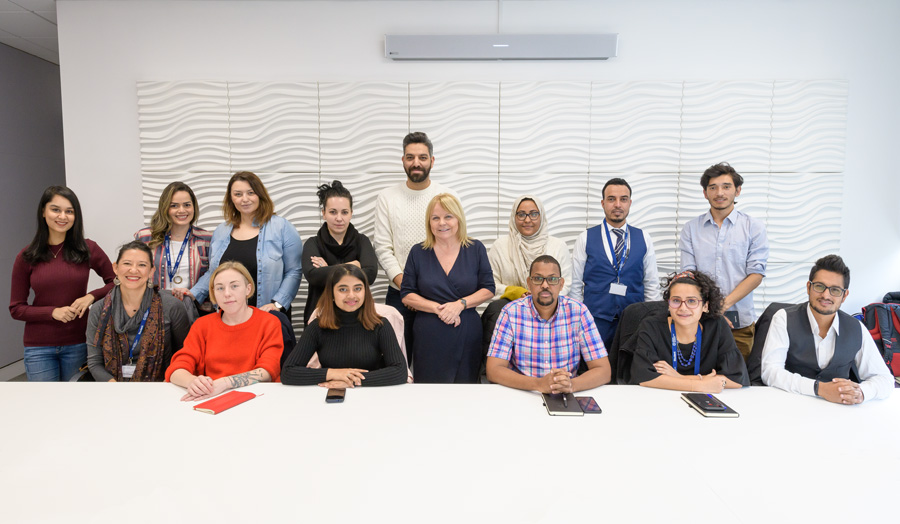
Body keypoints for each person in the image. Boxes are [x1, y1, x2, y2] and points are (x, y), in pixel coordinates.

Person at [9, 186, 116, 381]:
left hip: (79, 343)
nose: (62, 216)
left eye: (69, 211)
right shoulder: (26, 256)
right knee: (45, 407)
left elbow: (116, 282)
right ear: (43, 211)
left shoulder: (87, 249)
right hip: (38, 348)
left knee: (76, 407)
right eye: (55, 209)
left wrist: (90, 297)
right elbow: (16, 308)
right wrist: (52, 312)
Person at [761, 255, 893, 404]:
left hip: (837, 411)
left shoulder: (856, 328)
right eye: (819, 286)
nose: (825, 295)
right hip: (790, 404)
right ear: (808, 287)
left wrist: (860, 392)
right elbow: (770, 372)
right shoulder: (783, 318)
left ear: (844, 296)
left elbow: (885, 379)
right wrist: (819, 388)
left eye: (835, 290)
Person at [374, 131, 456, 358]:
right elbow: (382, 247)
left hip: (440, 295)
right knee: (397, 359)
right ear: (403, 161)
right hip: (399, 293)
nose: (416, 163)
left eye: (422, 157)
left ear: (432, 160)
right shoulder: (387, 197)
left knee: (435, 360)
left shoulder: (447, 195)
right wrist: (407, 288)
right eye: (410, 157)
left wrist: (424, 293)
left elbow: (455, 243)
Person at [401, 193, 494, 383]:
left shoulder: (476, 249)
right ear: (429, 222)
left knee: (465, 394)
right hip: (429, 334)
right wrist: (437, 308)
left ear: (458, 218)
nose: (442, 223)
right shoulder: (417, 252)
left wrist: (460, 304)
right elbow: (407, 294)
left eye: (448, 216)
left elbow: (488, 288)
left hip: (466, 331)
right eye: (435, 218)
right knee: (429, 395)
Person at [680, 163, 768, 360]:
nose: (719, 192)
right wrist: (709, 309)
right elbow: (688, 275)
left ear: (737, 190)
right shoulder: (691, 229)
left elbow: (756, 275)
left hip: (739, 324)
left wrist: (721, 306)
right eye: (713, 187)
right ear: (705, 193)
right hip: (699, 321)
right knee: (699, 376)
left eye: (726, 186)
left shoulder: (754, 227)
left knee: (738, 381)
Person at [486, 255, 611, 393]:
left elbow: (603, 370)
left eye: (552, 279)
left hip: (566, 393)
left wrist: (571, 385)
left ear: (561, 284)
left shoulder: (579, 312)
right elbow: (493, 370)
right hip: (522, 391)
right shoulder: (511, 312)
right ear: (529, 283)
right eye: (538, 279)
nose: (545, 285)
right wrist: (538, 384)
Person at [188, 171, 302, 319]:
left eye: (251, 193)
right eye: (238, 194)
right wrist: (193, 293)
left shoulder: (282, 227)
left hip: (269, 316)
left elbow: (294, 271)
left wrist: (278, 304)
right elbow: (213, 273)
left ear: (260, 195)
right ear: (231, 199)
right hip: (229, 317)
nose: (245, 199)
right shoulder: (221, 231)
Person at [166, 261, 282, 401]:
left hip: (257, 398)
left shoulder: (269, 322)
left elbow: (267, 371)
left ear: (248, 289)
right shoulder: (202, 325)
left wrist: (226, 383)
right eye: (220, 288)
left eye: (234, 286)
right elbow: (178, 367)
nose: (227, 293)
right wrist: (192, 381)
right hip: (211, 397)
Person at [570, 178, 660, 349]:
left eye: (623, 199)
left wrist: (651, 318)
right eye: (611, 199)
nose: (617, 204)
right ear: (603, 203)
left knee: (628, 370)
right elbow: (575, 284)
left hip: (634, 320)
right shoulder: (585, 238)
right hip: (595, 321)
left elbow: (651, 283)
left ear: (630, 203)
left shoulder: (644, 238)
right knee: (595, 371)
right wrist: (578, 319)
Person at [282, 264, 407, 387]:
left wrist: (351, 381)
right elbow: (288, 372)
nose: (351, 295)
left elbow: (400, 371)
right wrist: (333, 373)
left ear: (365, 292)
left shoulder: (381, 325)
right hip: (330, 393)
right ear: (331, 293)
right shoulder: (317, 326)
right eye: (343, 289)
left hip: (370, 394)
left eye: (357, 288)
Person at [629, 270, 749, 392]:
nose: (683, 308)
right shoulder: (651, 326)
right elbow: (644, 377)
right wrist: (700, 384)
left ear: (705, 306)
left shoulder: (717, 325)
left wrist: (679, 377)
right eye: (676, 300)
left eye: (691, 301)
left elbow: (736, 379)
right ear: (668, 304)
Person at [86, 241, 190, 382]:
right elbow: (95, 363)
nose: (134, 270)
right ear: (115, 268)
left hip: (160, 387)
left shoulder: (171, 307)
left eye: (142, 265)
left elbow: (183, 356)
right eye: (127, 264)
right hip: (113, 388)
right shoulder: (99, 310)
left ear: (151, 271)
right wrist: (118, 389)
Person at [482, 195, 572, 350]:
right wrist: (515, 292)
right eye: (521, 214)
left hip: (549, 305)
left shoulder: (557, 246)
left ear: (541, 216)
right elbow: (490, 284)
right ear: (514, 217)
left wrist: (540, 297)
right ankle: (494, 369)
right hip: (510, 307)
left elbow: (566, 284)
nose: (527, 219)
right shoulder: (501, 246)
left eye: (534, 214)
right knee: (495, 310)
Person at [301, 180, 377, 326]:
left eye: (344, 212)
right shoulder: (313, 243)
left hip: (357, 316)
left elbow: (371, 275)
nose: (339, 218)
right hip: (320, 315)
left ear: (351, 213)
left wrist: (328, 269)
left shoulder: (362, 241)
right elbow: (313, 276)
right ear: (323, 213)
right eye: (333, 212)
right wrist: (352, 265)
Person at [133, 181, 212, 310]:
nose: (182, 210)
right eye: (174, 206)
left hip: (193, 309)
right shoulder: (146, 237)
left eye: (187, 205)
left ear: (194, 207)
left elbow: (214, 273)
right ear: (165, 208)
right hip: (154, 309)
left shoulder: (206, 239)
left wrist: (194, 293)